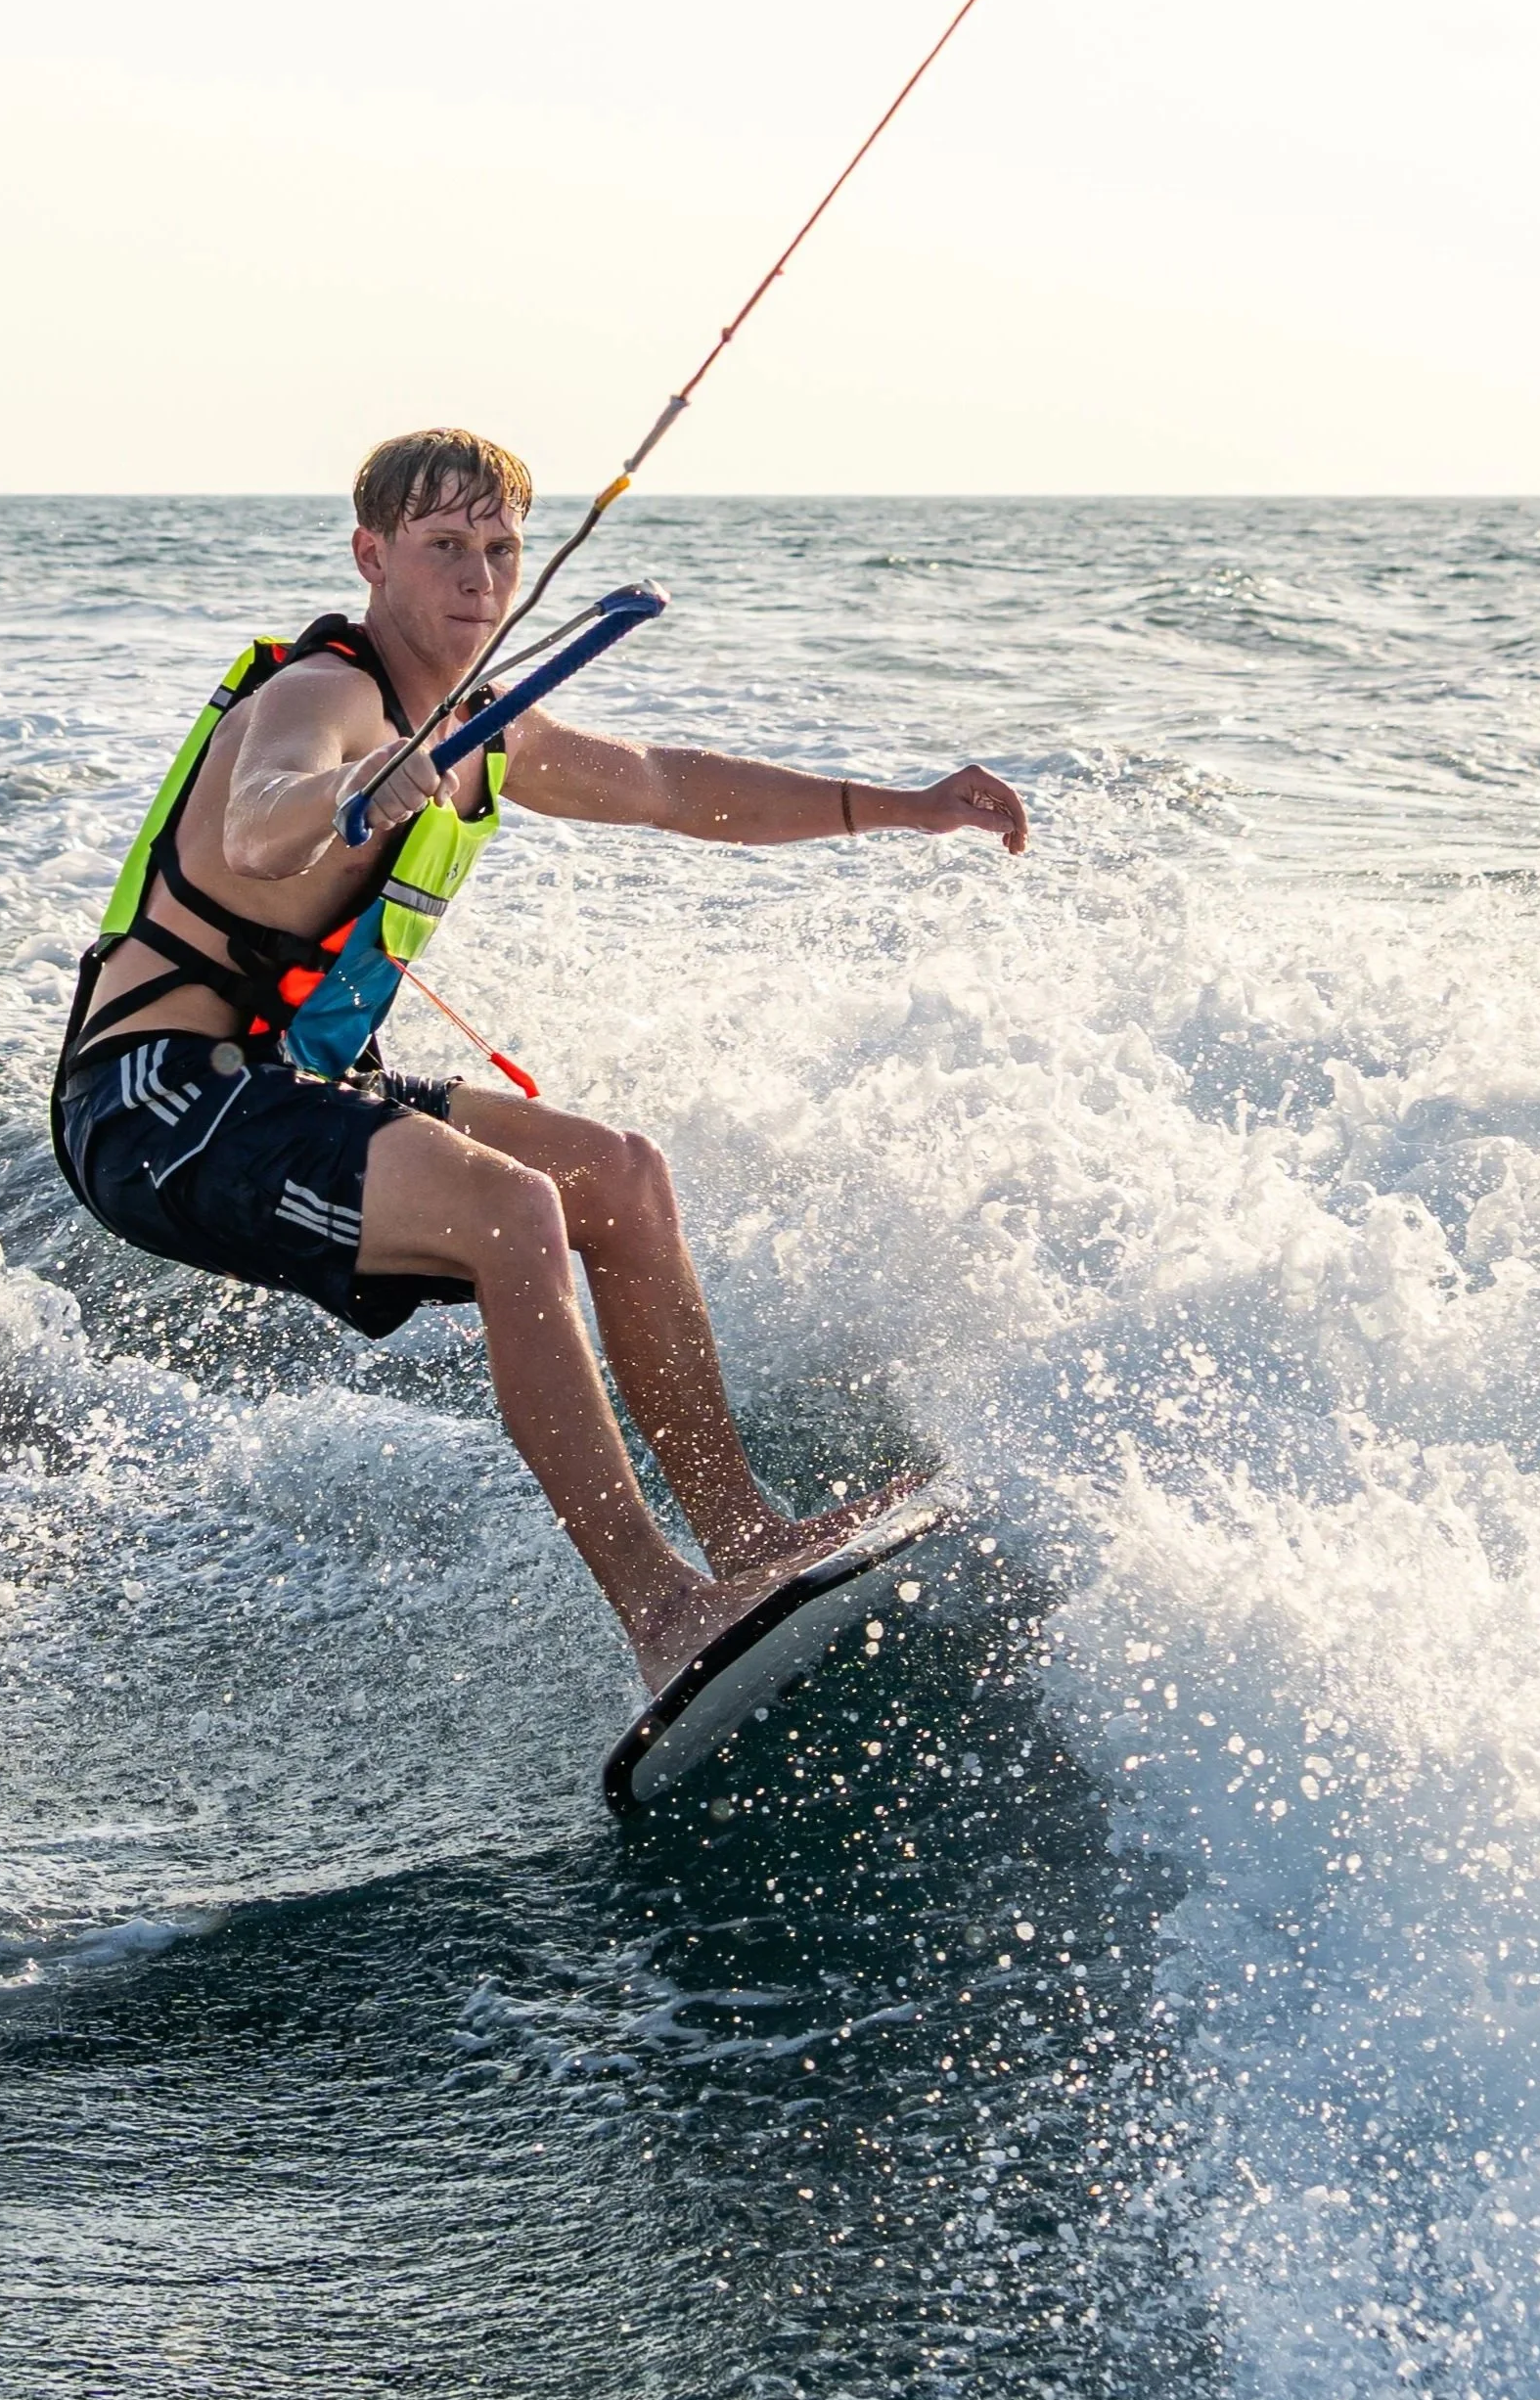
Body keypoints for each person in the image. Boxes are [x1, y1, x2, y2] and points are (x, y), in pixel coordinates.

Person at [54, 430, 1026, 1697]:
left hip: (290, 1086)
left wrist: (899, 804)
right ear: (373, 557)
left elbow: (673, 786)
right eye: (444, 548)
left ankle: (745, 1534)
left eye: (500, 551)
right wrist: (360, 792)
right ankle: (664, 1607)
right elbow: (261, 808)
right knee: (515, 1213)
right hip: (157, 1099)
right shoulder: (325, 695)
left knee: (619, 1175)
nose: (477, 579)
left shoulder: (485, 729)